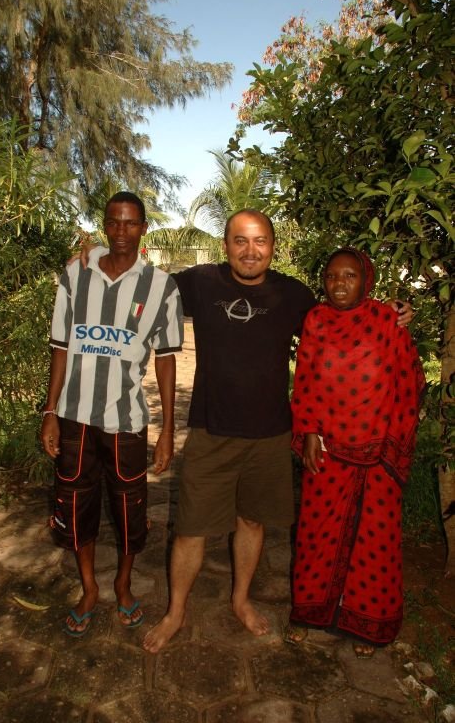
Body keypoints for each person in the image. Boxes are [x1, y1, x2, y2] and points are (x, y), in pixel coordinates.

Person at [77, 209, 412, 653]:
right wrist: (101, 253)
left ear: (272, 246)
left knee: (251, 520)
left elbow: (341, 319)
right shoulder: (199, 282)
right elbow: (144, 281)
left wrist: (394, 312)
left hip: (270, 434)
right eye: (240, 241)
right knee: (191, 528)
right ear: (225, 245)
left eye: (259, 242)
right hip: (211, 431)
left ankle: (240, 600)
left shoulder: (293, 295)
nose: (250, 251)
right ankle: (176, 611)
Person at [41, 191, 183, 637]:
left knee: (128, 509)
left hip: (126, 421)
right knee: (76, 504)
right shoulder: (75, 274)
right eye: (114, 223)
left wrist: (167, 431)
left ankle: (122, 584)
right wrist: (50, 411)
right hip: (74, 418)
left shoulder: (162, 286)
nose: (121, 231)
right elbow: (61, 348)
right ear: (105, 226)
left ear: (144, 228)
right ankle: (89, 588)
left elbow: (165, 357)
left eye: (130, 223)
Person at [284, 247, 425, 658]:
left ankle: (367, 628)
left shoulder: (386, 319)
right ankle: (308, 614)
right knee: (314, 536)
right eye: (331, 276)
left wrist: (392, 443)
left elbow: (409, 380)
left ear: (367, 281)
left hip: (378, 453)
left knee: (373, 545)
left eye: (348, 276)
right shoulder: (316, 320)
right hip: (327, 449)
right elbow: (305, 380)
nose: (338, 283)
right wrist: (308, 430)